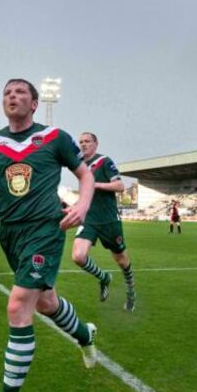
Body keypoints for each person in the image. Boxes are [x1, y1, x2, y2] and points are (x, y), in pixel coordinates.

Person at [0, 78, 97, 392]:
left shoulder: (54, 137)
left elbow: (86, 176)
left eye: (20, 92)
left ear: (35, 103)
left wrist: (81, 205)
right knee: (47, 303)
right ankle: (84, 334)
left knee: (19, 303)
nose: (12, 97)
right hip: (10, 233)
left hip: (46, 229)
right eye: (7, 92)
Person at [72, 132, 135, 312]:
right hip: (89, 219)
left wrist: (96, 184)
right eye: (81, 142)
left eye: (87, 141)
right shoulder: (80, 166)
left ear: (96, 144)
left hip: (108, 220)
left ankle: (131, 292)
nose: (83, 144)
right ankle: (104, 277)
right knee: (78, 256)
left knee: (122, 261)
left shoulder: (104, 161)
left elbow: (120, 186)